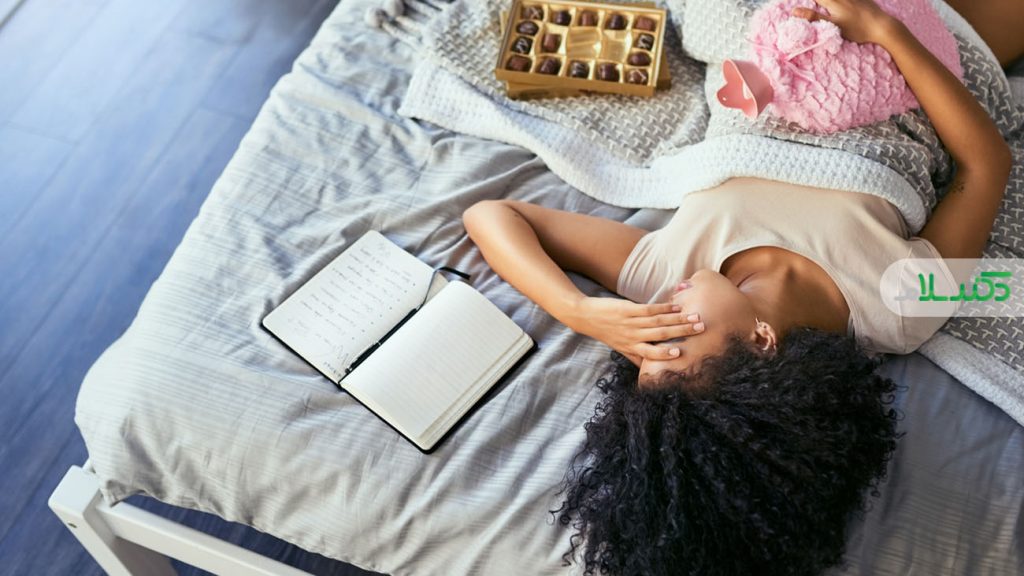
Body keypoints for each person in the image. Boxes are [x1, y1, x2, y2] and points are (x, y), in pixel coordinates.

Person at [463, 0, 1021, 574]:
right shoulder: (898, 305)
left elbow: (494, 215)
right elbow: (986, 164)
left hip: (763, 32)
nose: (659, 316)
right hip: (904, 52)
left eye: (644, 348)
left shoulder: (668, 269)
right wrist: (886, 31)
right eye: (674, 340)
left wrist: (578, 309)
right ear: (760, 342)